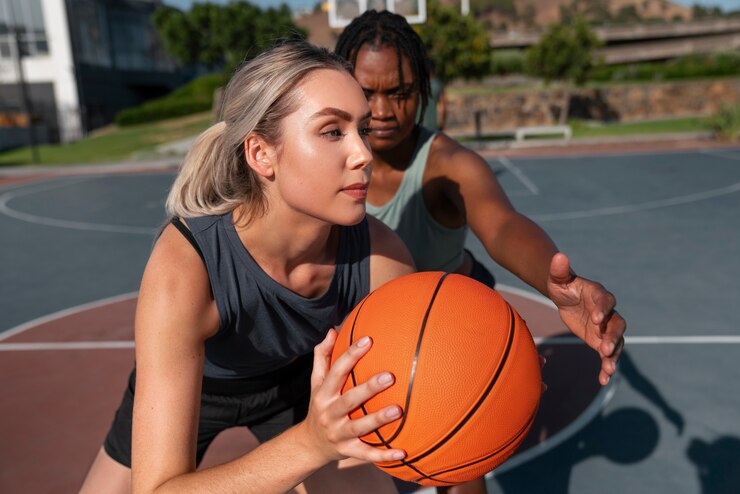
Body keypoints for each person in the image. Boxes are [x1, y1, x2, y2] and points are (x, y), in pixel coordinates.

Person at [79, 40, 415, 493]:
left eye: (363, 130)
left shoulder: (380, 256)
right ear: (261, 154)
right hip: (198, 388)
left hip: (299, 382)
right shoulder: (188, 263)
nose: (363, 155)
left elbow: (429, 365)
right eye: (332, 131)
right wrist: (310, 445)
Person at [335, 10, 627, 494]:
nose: (383, 110)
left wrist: (555, 285)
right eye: (367, 93)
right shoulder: (327, 162)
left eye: (400, 93)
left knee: (459, 456)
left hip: (449, 332)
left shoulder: (447, 166)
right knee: (352, 465)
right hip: (370, 328)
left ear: (424, 92)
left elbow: (503, 225)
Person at [422, 60, 447, 131]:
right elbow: (444, 109)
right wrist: (441, 126)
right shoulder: (438, 85)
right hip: (432, 128)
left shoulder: (417, 85)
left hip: (417, 128)